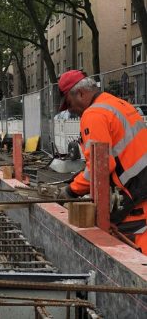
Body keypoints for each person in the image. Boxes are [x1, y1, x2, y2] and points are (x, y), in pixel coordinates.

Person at [57, 70, 147, 254]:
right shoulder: (117, 103)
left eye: (69, 103)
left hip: (134, 197)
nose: (70, 110)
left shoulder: (93, 114)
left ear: (81, 94)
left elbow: (101, 167)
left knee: (134, 258)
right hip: (141, 186)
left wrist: (71, 190)